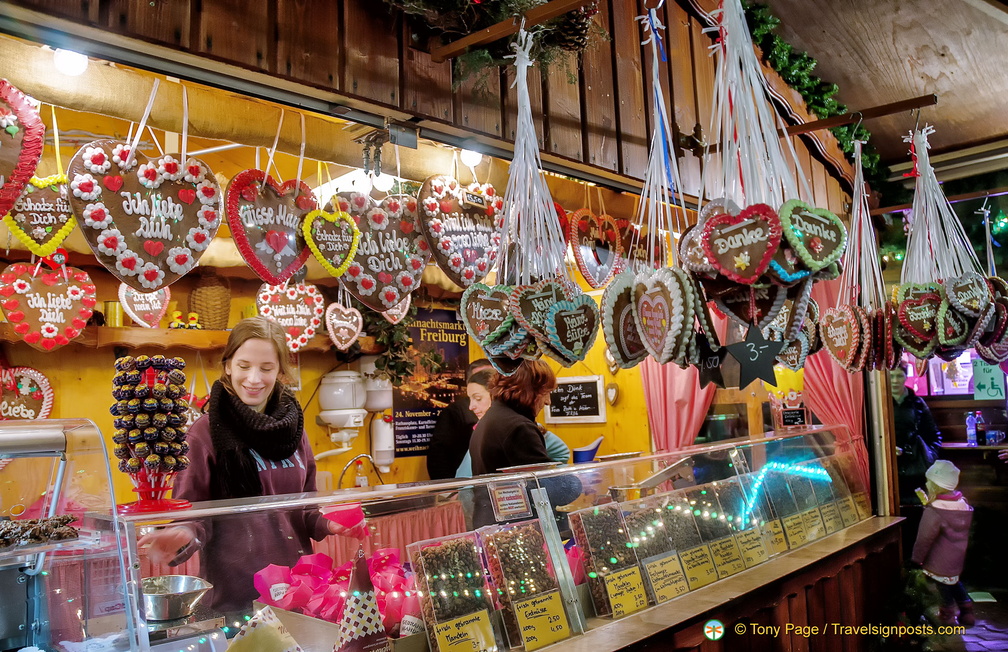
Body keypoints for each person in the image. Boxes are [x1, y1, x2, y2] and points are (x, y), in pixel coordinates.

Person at [138, 316, 358, 613]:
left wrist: (330, 524)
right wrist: (182, 533)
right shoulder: (204, 433)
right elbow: (193, 514)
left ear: (280, 371)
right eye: (244, 366)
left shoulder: (294, 430)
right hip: (236, 600)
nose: (254, 379)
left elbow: (304, 509)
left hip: (298, 592)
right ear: (228, 365)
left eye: (266, 368)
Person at [456, 369, 569, 477]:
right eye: (545, 393)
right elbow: (542, 482)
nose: (548, 401)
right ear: (528, 390)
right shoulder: (519, 427)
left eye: (478, 398)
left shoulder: (486, 423)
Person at [911, 460, 975, 627]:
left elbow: (924, 538)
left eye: (929, 481)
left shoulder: (935, 510)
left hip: (939, 559)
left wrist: (916, 559)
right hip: (957, 557)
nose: (926, 484)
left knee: (943, 586)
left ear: (935, 485)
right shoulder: (963, 503)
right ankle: (967, 611)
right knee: (954, 581)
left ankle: (947, 617)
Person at [426, 359, 492, 480]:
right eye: (479, 377)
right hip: (464, 482)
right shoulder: (455, 411)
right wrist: (448, 488)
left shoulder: (507, 411)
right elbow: (438, 453)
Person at [890, 363, 941, 506]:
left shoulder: (917, 403)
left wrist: (930, 455)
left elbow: (933, 434)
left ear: (906, 377)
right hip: (888, 465)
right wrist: (886, 449)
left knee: (919, 505)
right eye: (891, 376)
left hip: (915, 466)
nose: (895, 381)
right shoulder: (878, 402)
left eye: (899, 376)